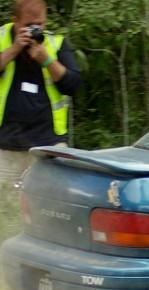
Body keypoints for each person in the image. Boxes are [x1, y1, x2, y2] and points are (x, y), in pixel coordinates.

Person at [0, 0, 81, 186]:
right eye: (29, 25)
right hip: (6, 144)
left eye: (40, 24)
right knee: (5, 209)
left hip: (48, 144)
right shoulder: (2, 37)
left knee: (52, 203)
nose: (35, 29)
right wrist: (14, 49)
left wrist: (47, 60)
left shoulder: (56, 43)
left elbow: (73, 85)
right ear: (15, 20)